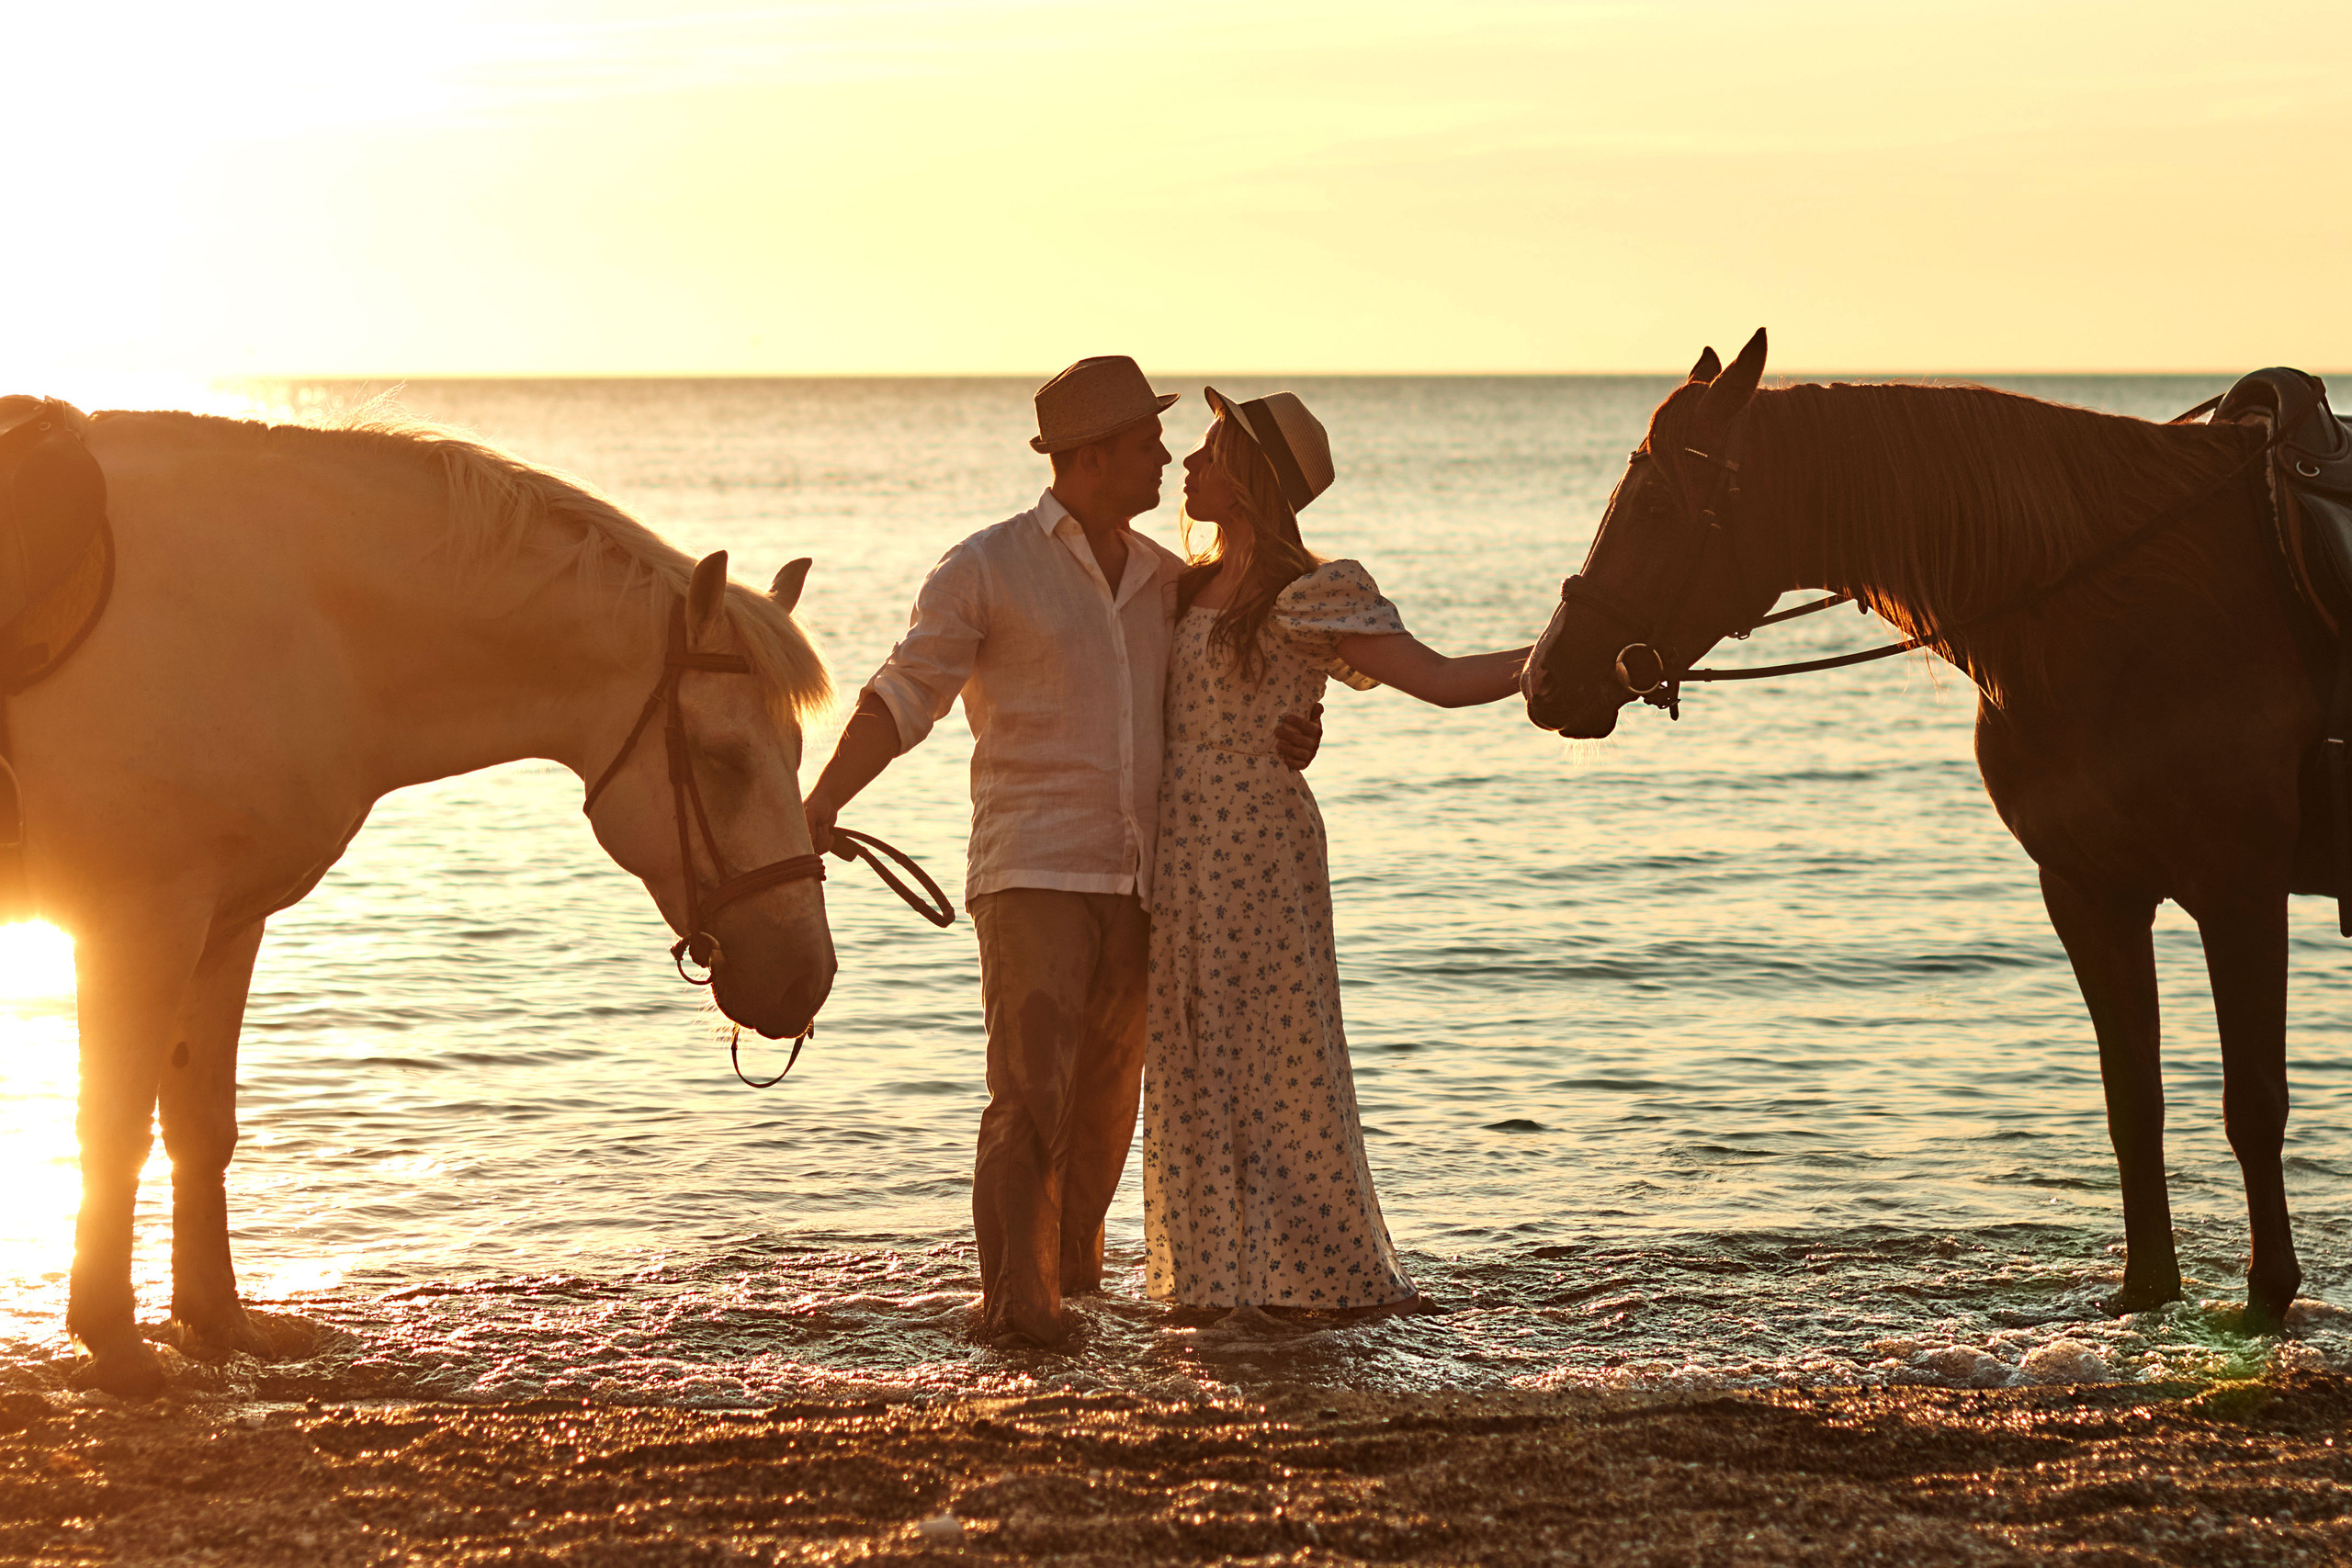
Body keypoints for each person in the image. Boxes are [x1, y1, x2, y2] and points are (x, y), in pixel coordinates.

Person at [801, 357, 1321, 1348]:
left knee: (1102, 1116)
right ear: (1087, 459)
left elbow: (1230, 690)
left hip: (1140, 882)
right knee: (1029, 1099)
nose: (1164, 457)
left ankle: (1074, 1299)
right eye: (1143, 444)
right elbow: (903, 696)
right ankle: (1013, 1314)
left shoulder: (1170, 584)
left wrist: (1294, 731)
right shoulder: (985, 567)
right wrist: (820, 801)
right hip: (1032, 869)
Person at [1142, 388, 1529, 1314]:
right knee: (1190, 1062)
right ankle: (1206, 1286)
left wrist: (1568, 656)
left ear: (1247, 479)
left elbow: (1437, 678)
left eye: (1205, 453)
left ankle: (1310, 1283)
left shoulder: (1311, 591)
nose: (1187, 468)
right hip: (1177, 846)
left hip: (1259, 848)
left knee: (1278, 1063)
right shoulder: (1173, 585)